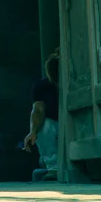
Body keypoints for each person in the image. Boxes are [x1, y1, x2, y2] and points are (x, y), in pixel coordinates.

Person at [24, 50, 60, 178]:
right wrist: (33, 131)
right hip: (54, 126)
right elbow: (38, 109)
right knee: (45, 126)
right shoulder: (42, 86)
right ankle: (53, 165)